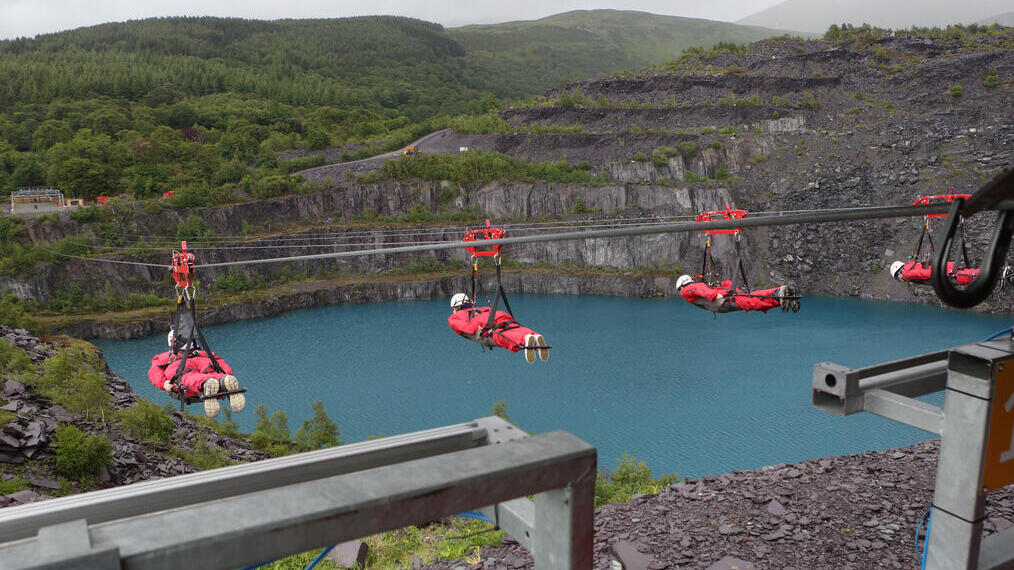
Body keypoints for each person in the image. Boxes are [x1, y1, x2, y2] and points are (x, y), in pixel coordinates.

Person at [148, 329, 246, 418]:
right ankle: (219, 382)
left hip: (188, 369)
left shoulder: (167, 357)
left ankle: (214, 382)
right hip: (191, 366)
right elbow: (154, 373)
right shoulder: (202, 353)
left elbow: (154, 372)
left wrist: (164, 383)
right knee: (198, 372)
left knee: (193, 374)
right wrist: (164, 383)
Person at [448, 293, 549, 363]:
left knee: (499, 335)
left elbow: (468, 328)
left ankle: (525, 339)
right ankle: (534, 336)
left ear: (456, 308)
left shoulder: (456, 316)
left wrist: (477, 326)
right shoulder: (481, 308)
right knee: (513, 327)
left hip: (485, 324)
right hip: (497, 315)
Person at [676, 274, 799, 313]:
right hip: (724, 300)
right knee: (753, 300)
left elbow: (700, 290)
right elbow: (701, 290)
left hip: (723, 301)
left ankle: (780, 295)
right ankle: (779, 294)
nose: (680, 293)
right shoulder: (691, 288)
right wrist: (716, 293)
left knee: (752, 301)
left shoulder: (687, 289)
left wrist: (716, 294)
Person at [889, 260, 980, 285]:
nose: (900, 280)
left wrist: (945, 274)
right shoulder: (910, 265)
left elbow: (927, 273)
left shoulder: (907, 273)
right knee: (974, 273)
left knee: (975, 277)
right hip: (947, 267)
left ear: (899, 274)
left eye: (897, 278)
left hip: (948, 273)